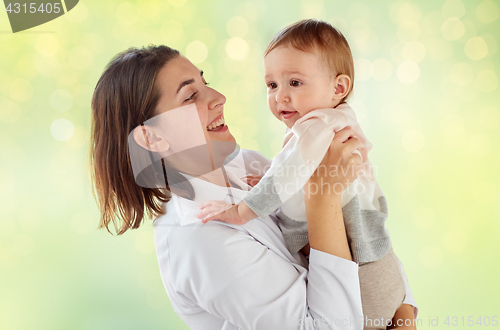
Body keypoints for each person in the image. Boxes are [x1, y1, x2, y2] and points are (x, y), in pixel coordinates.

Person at [89, 44, 417, 329]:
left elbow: (359, 225)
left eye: (207, 83)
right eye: (191, 95)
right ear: (152, 137)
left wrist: (404, 312)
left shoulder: (249, 165)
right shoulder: (198, 240)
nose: (218, 98)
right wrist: (323, 194)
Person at [196, 19, 414, 329]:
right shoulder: (339, 120)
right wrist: (277, 183)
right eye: (272, 85)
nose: (280, 96)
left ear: (338, 87)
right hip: (383, 269)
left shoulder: (314, 128)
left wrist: (240, 211)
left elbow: (291, 172)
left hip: (362, 278)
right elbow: (297, 173)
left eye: (294, 83)